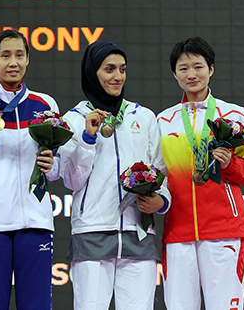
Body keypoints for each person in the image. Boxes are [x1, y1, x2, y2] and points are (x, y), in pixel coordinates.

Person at [60, 41, 171, 310]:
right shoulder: (75, 119)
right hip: (92, 234)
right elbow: (71, 180)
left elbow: (161, 171)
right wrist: (88, 139)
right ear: (92, 73)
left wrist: (161, 200)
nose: (118, 76)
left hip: (138, 233)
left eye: (122, 69)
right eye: (109, 69)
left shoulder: (143, 117)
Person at [157, 37, 244, 310]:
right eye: (183, 68)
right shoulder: (162, 121)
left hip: (224, 231)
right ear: (175, 74)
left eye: (198, 66)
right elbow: (158, 176)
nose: (191, 74)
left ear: (211, 69)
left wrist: (229, 164)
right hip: (178, 231)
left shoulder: (234, 115)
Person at [0, 29, 60, 310]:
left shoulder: (46, 104)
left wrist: (52, 166)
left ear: (28, 60)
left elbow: (57, 167)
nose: (12, 62)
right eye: (5, 55)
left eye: (19, 55)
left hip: (37, 222)